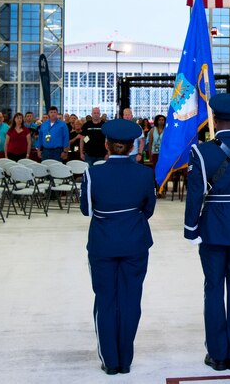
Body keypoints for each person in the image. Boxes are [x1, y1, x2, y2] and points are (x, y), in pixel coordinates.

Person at [185, 93, 230, 372]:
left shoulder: (201, 151)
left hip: (214, 223)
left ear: (214, 119)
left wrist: (191, 228)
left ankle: (217, 354)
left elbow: (195, 195)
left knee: (214, 288)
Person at [80, 119, 156, 375]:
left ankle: (110, 360)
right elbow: (148, 210)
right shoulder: (145, 173)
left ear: (107, 145)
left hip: (103, 243)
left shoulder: (93, 173)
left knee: (105, 299)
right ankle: (125, 358)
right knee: (131, 299)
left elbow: (86, 210)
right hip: (135, 242)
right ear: (134, 146)